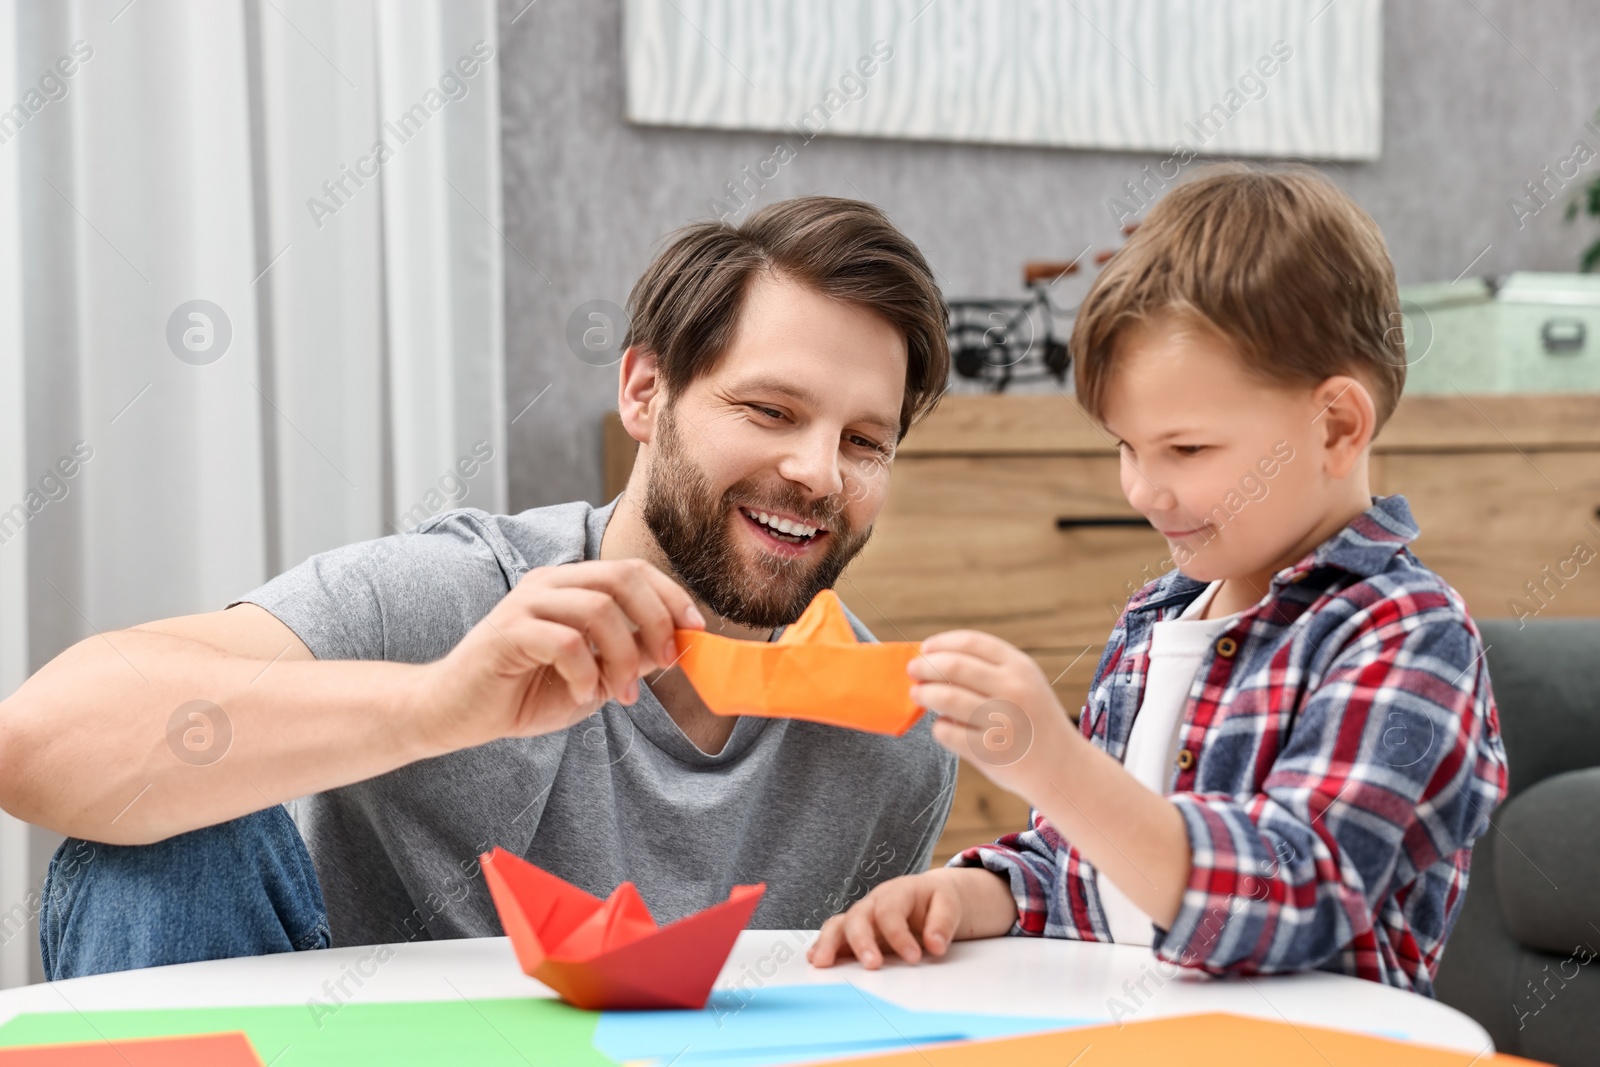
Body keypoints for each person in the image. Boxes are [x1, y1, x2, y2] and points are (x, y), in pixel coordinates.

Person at [0, 196, 959, 979]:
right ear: (644, 393)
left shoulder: (894, 749)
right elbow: (39, 741)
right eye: (769, 409)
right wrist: (435, 703)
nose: (820, 472)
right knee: (162, 847)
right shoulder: (454, 598)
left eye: (864, 442)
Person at [808, 166, 1509, 997]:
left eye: (1186, 450)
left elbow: (1293, 891)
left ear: (1337, 425)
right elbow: (1094, 866)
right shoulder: (1157, 618)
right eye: (1126, 447)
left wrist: (1059, 767)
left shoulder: (1405, 634)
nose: (1143, 490)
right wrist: (965, 893)